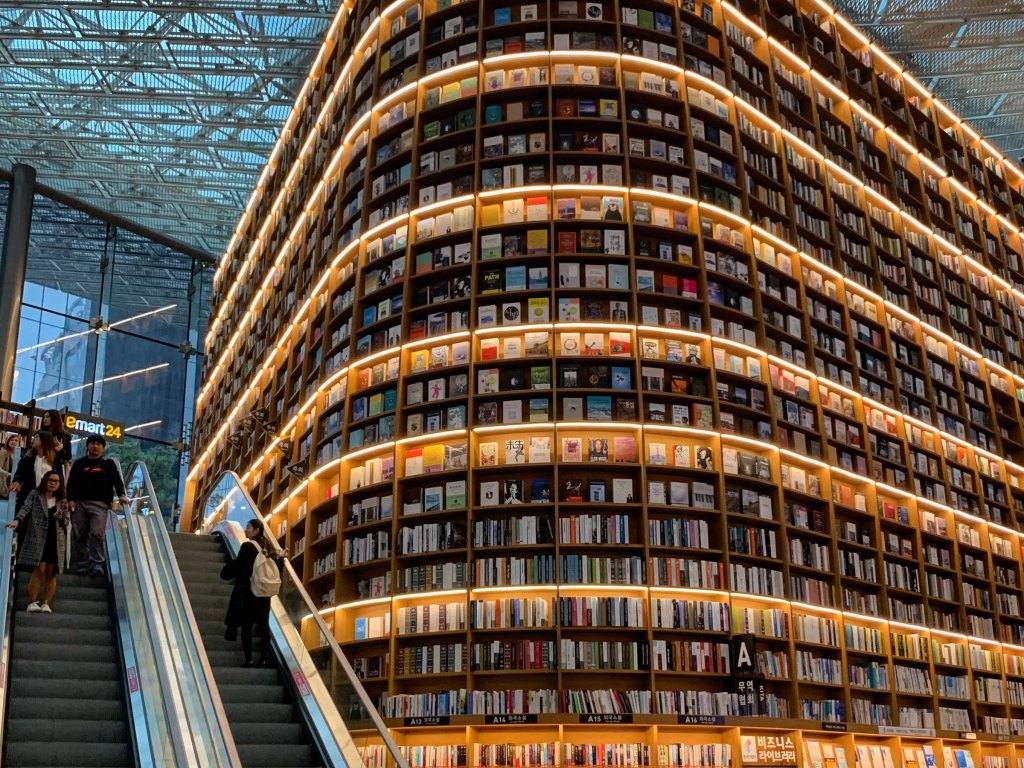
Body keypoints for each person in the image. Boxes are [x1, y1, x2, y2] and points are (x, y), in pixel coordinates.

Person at [5, 470, 70, 613]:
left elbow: (66, 521)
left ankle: (46, 603)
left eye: (56, 481)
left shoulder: (62, 500)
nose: (53, 483)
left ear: (60, 484)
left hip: (55, 538)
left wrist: (60, 517)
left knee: (51, 572)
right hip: (37, 536)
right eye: (50, 480)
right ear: (45, 481)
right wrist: (17, 520)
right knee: (39, 569)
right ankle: (32, 602)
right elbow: (25, 508)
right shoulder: (35, 494)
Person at [66, 435, 129, 576]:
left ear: (103, 448)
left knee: (96, 533)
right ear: (88, 446)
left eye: (98, 444)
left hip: (100, 503)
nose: (95, 446)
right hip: (79, 502)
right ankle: (83, 564)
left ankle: (96, 563)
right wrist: (71, 499)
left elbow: (117, 481)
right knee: (79, 534)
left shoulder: (109, 464)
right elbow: (71, 483)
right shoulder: (79, 463)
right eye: (92, 443)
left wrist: (122, 494)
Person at [221, 518, 277, 667]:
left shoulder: (247, 546)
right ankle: (263, 659)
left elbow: (239, 566)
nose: (246, 530)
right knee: (264, 625)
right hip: (264, 592)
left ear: (257, 530)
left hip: (249, 592)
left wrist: (226, 571)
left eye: (249, 527)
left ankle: (249, 659)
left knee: (247, 626)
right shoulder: (268, 546)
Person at [8, 431, 61, 512]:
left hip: (47, 498)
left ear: (44, 440)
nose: (33, 439)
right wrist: (16, 481)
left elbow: (60, 479)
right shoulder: (27, 457)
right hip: (28, 495)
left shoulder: (55, 460)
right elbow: (20, 472)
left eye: (36, 437)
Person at [40, 409, 72, 477]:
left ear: (55, 418)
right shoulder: (40, 434)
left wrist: (60, 449)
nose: (45, 419)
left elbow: (68, 456)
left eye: (48, 417)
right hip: (39, 466)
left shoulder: (64, 436)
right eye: (44, 417)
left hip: (54, 470)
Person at [0, 433, 21, 500]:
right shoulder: (4, 452)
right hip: (2, 484)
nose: (14, 442)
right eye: (12, 440)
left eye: (16, 440)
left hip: (11, 486)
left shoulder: (18, 457)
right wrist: (9, 474)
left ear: (19, 444)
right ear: (8, 441)